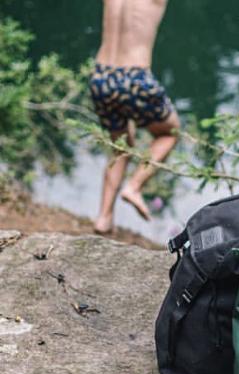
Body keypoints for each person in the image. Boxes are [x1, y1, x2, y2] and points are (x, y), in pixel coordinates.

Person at [90, 0, 180, 233]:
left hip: (101, 76)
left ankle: (103, 218)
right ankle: (134, 186)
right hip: (134, 76)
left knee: (120, 147)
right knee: (169, 133)